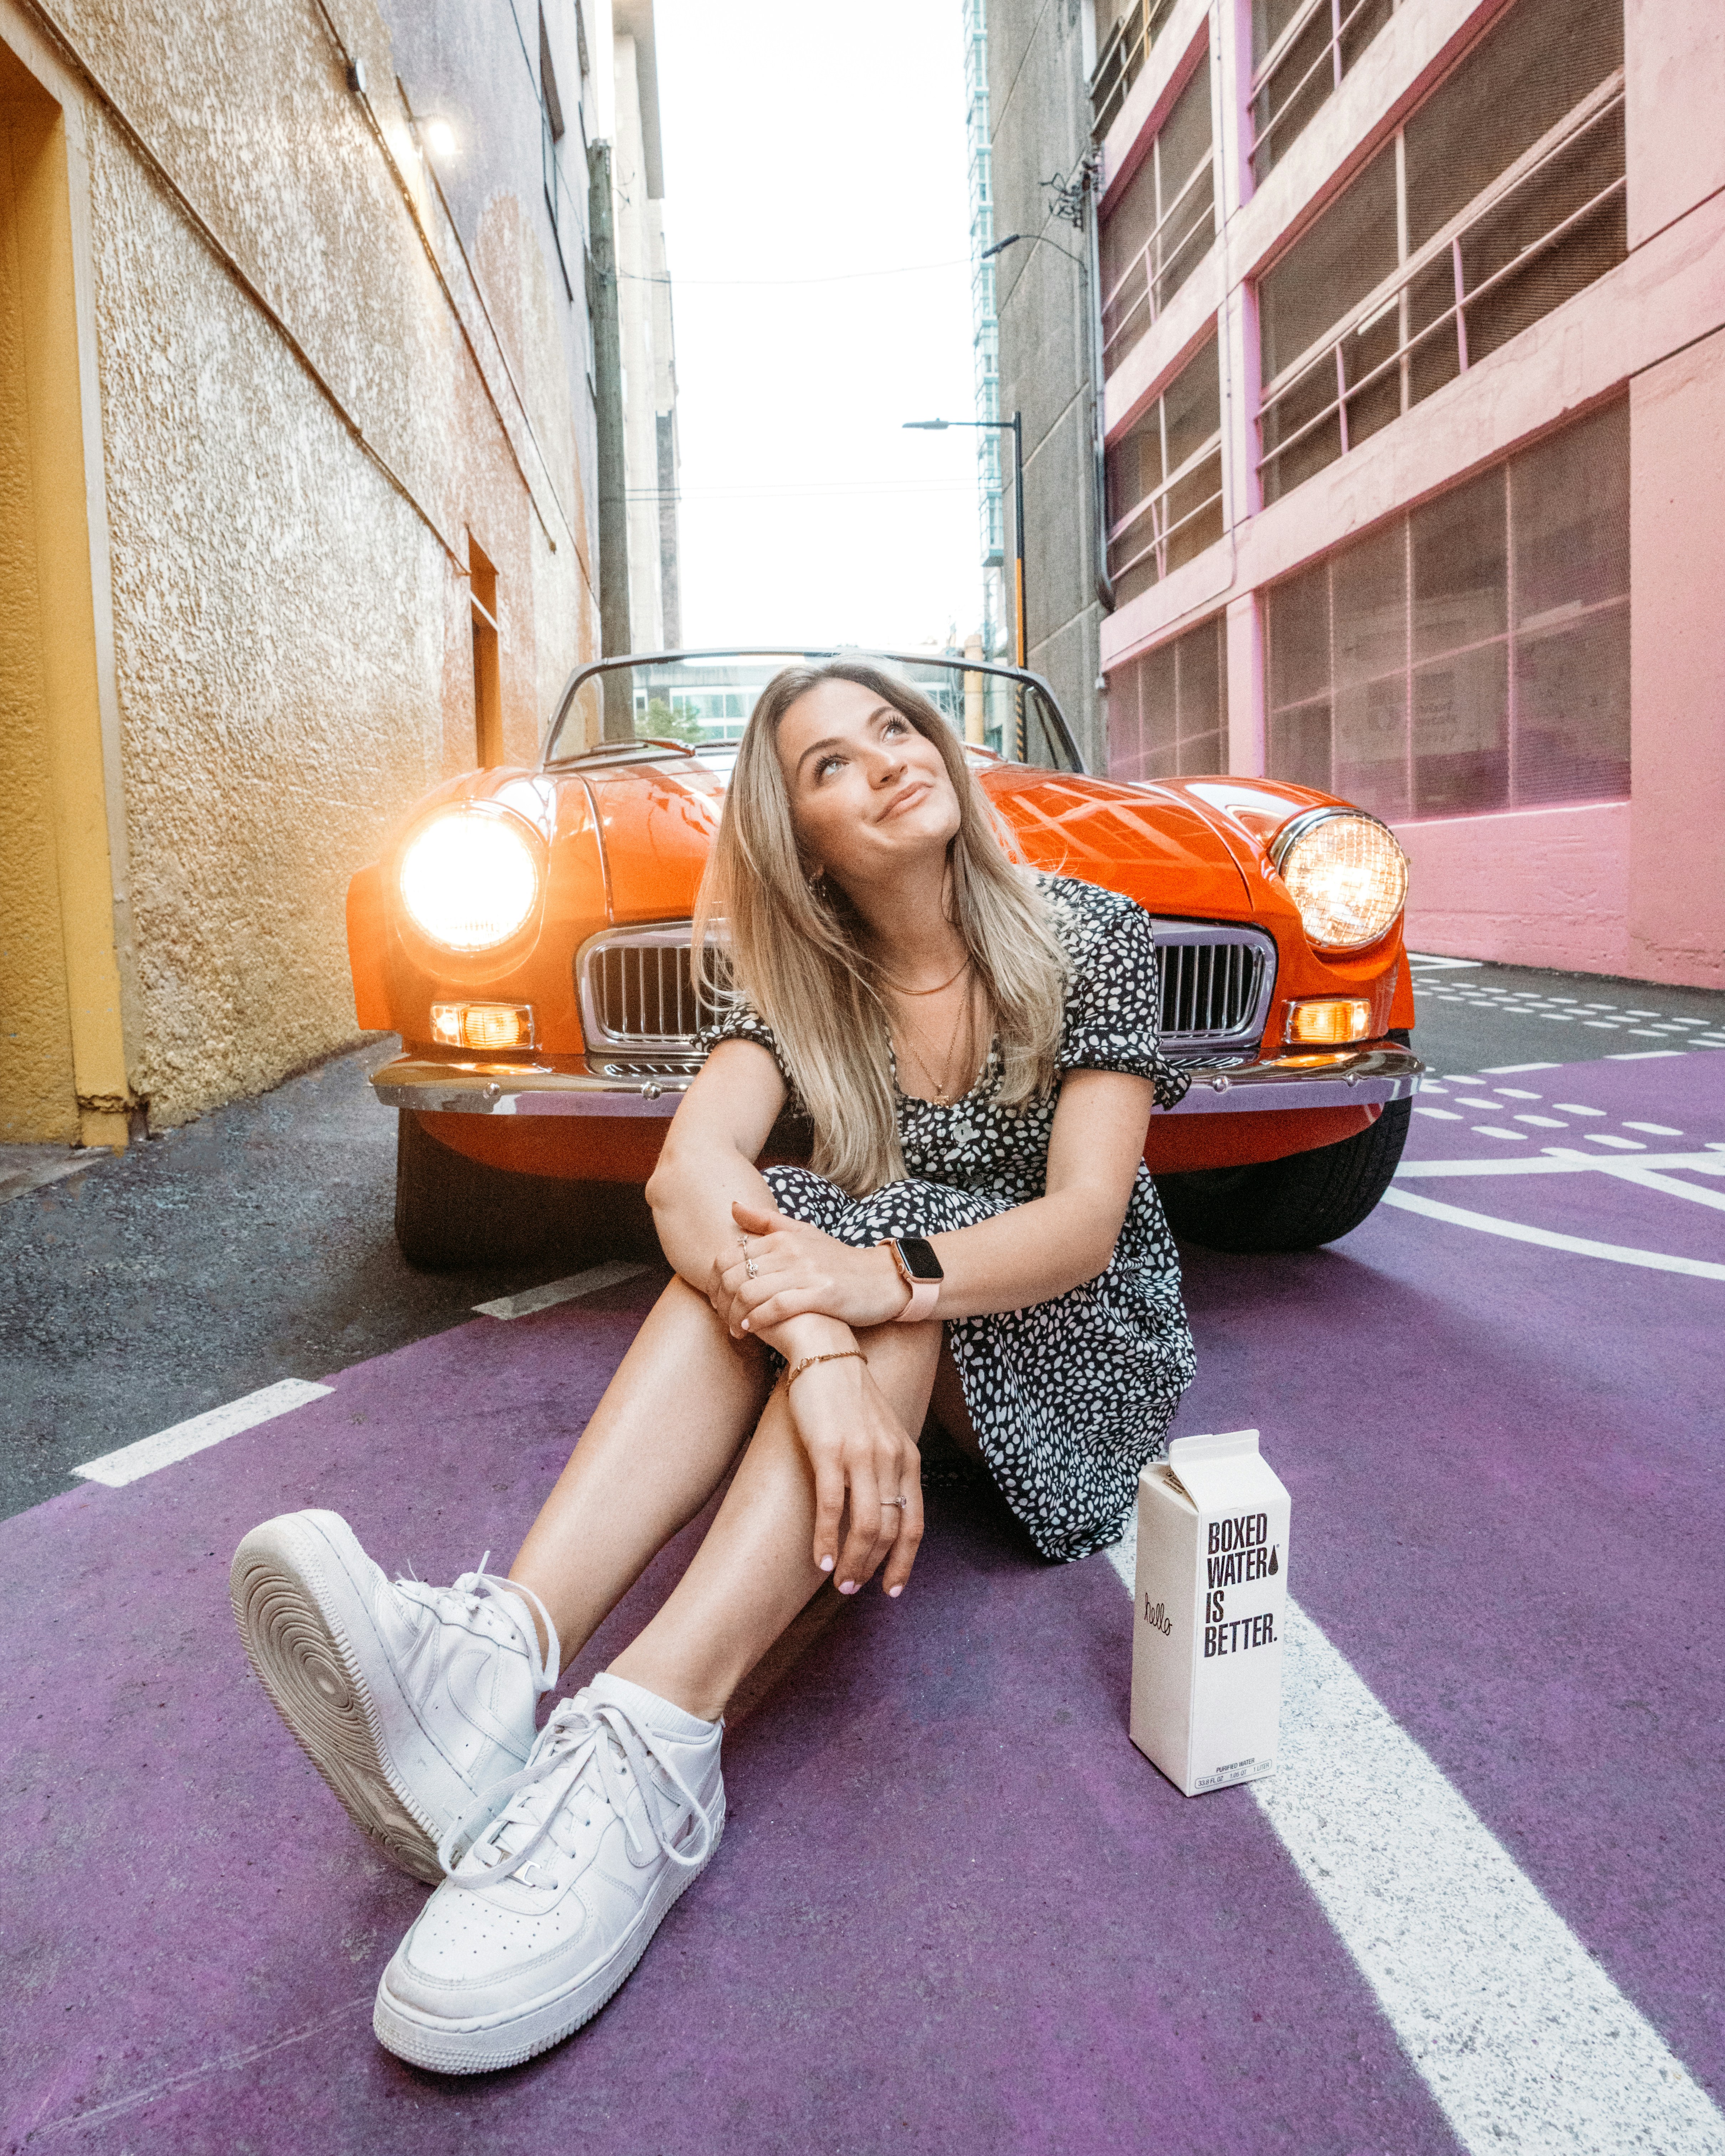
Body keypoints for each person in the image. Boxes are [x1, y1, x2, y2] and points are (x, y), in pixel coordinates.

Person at [230, 660, 1195, 2075]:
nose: (882, 761)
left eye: (894, 729)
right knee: (757, 1235)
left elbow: (1078, 1227)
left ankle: (655, 1736)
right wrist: (810, 1344)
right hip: (875, 1320)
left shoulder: (1090, 933)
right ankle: (500, 1664)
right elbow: (688, 1178)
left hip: (1077, 1343)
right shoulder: (801, 981)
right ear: (800, 838)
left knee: (850, 1244)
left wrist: (863, 1285)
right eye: (828, 765)